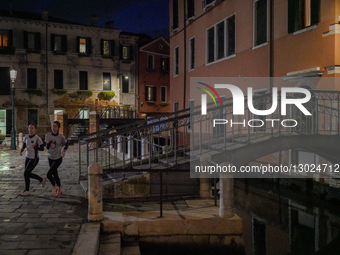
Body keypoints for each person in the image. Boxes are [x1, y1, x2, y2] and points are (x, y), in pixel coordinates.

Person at [19, 124, 46, 197]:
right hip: (27, 157)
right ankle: (40, 180)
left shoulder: (37, 138)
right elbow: (24, 145)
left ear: (35, 129)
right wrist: (21, 151)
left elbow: (42, 148)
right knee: (27, 174)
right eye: (29, 128)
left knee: (26, 173)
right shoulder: (26, 136)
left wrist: (36, 147)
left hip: (34, 158)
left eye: (32, 128)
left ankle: (27, 190)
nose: (30, 129)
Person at [45, 121, 68, 197]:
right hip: (50, 157)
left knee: (49, 174)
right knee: (55, 174)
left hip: (58, 158)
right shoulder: (48, 135)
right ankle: (59, 188)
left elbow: (66, 144)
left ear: (58, 128)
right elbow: (47, 147)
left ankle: (55, 187)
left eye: (55, 126)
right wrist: (48, 143)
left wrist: (64, 151)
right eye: (53, 126)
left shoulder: (61, 137)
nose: (53, 128)